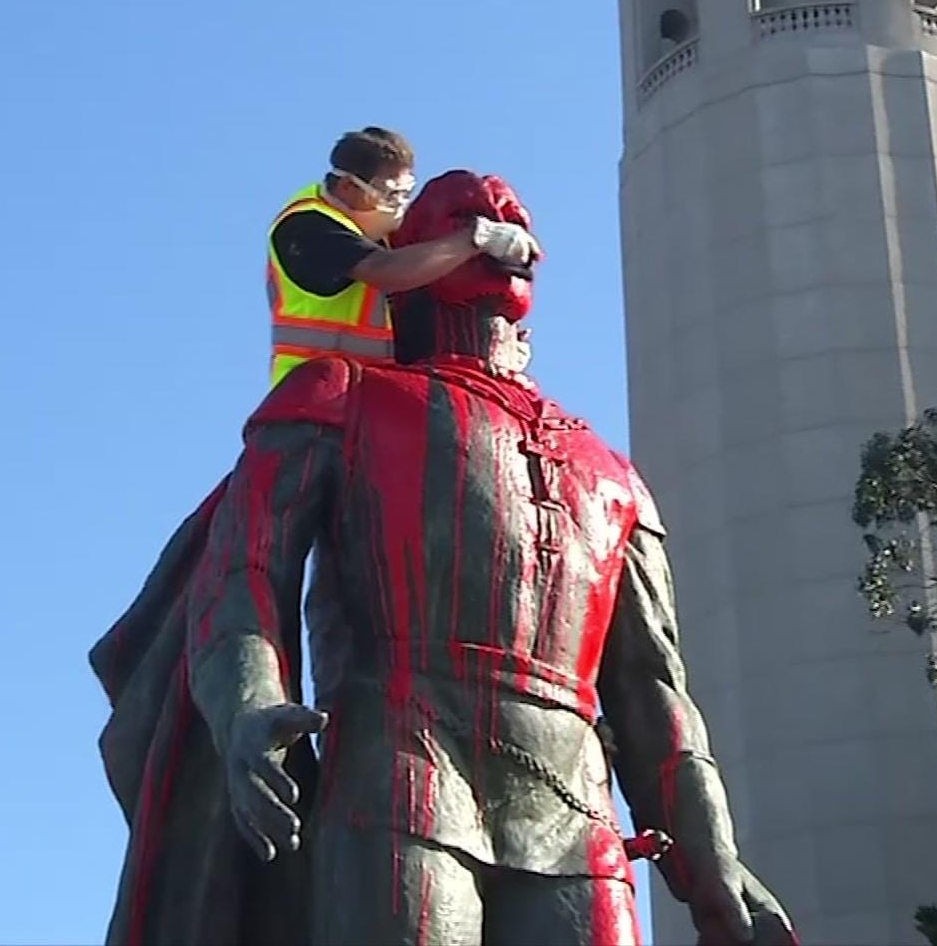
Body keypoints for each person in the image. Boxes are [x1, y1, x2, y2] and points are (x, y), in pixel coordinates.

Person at [91, 170, 797, 946]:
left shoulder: (611, 473)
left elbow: (654, 687)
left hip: (577, 816)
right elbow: (244, 571)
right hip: (399, 777)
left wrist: (710, 854)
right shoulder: (336, 396)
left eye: (509, 216)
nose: (499, 219)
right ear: (411, 255)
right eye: (464, 216)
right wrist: (248, 703)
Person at [266, 127, 539, 387]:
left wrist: (494, 343)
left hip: (372, 386)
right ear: (349, 186)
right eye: (390, 194)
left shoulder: (379, 230)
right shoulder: (306, 226)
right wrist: (476, 238)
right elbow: (385, 272)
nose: (399, 204)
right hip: (310, 396)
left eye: (405, 192)